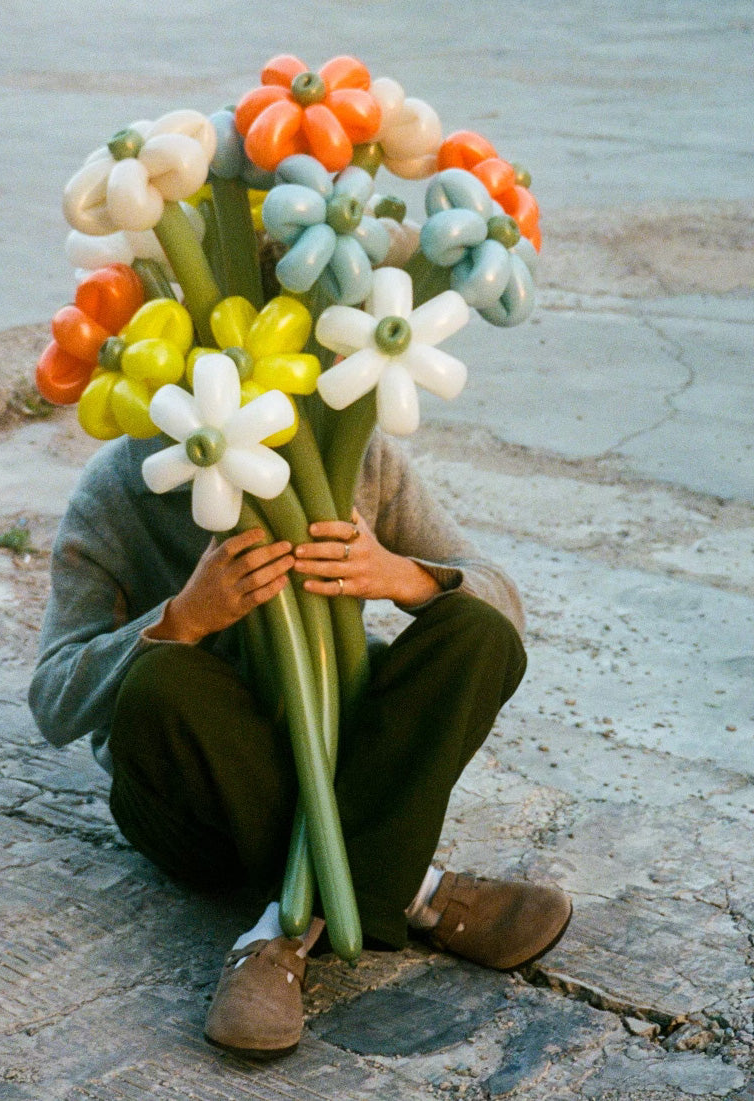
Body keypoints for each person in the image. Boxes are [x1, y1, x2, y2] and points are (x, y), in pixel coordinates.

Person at [29, 427, 572, 1060]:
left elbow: (501, 597)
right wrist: (182, 619)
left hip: (332, 758)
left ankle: (284, 931)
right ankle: (411, 889)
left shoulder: (354, 447)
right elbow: (54, 700)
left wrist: (400, 575)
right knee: (162, 680)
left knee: (477, 632)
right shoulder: (122, 483)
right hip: (194, 804)